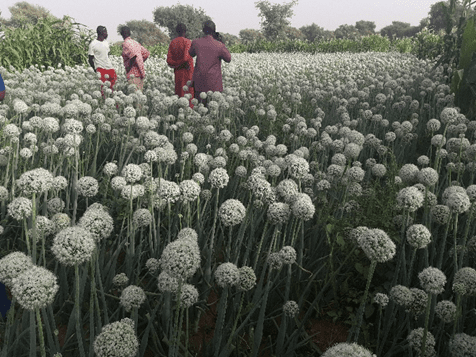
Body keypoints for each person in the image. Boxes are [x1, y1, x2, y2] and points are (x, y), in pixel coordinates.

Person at [189, 20, 231, 105]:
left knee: (199, 108)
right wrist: (222, 43)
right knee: (214, 112)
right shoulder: (219, 45)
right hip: (214, 84)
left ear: (203, 30)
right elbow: (228, 59)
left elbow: (191, 53)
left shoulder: (196, 42)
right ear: (214, 30)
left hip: (199, 83)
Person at [167, 23, 194, 107]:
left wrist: (177, 65)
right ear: (185, 31)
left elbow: (169, 60)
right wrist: (182, 64)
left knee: (179, 92)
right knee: (189, 94)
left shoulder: (173, 42)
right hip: (187, 71)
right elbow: (186, 58)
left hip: (178, 72)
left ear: (176, 31)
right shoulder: (188, 42)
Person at [88, 26, 117, 95]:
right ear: (101, 32)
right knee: (103, 90)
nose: (106, 34)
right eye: (105, 32)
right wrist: (96, 70)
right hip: (101, 69)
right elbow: (90, 59)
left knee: (113, 89)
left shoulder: (106, 43)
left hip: (110, 68)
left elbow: (107, 55)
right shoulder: (93, 44)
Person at [120, 26, 150, 92]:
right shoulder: (135, 43)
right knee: (139, 95)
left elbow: (133, 56)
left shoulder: (125, 44)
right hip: (140, 72)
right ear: (130, 33)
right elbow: (146, 54)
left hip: (132, 74)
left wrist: (128, 67)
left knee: (135, 96)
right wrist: (139, 62)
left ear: (121, 34)